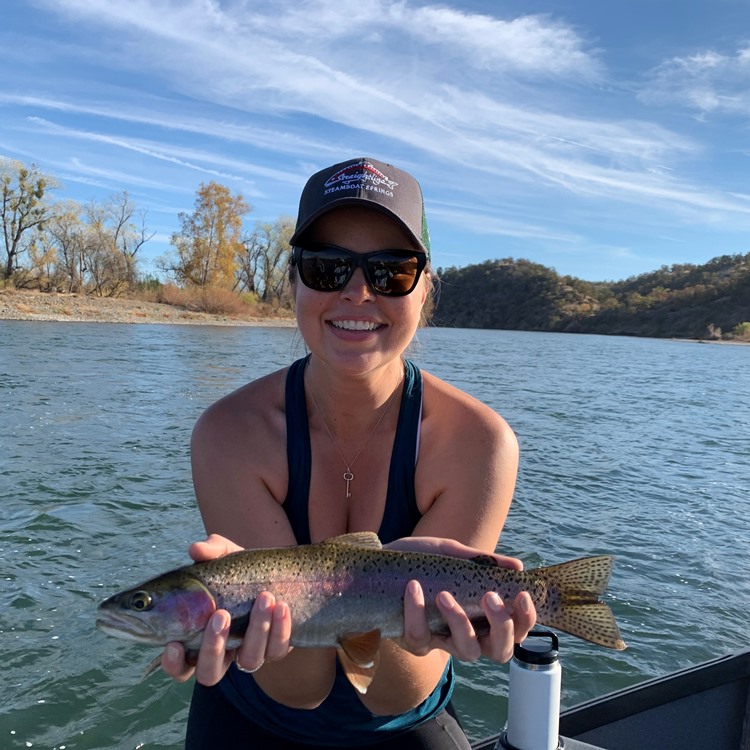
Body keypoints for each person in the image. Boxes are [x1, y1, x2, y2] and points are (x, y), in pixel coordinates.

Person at [161, 157, 537, 749]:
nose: (357, 292)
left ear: (426, 288)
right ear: (293, 280)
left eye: (392, 271)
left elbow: (395, 692)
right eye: (328, 266)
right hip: (254, 713)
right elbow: (301, 687)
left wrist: (412, 618)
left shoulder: (479, 443)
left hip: (403, 721)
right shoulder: (229, 433)